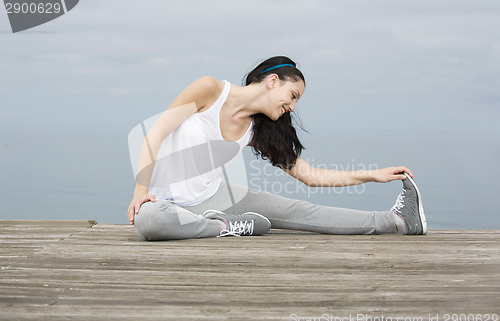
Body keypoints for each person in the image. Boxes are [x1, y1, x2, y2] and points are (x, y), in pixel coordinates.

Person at [127, 56, 427, 241]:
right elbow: (155, 133)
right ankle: (226, 228)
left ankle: (398, 221)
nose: (292, 106)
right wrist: (141, 192)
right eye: (292, 95)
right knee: (150, 221)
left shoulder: (260, 130)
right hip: (165, 203)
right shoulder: (209, 90)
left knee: (303, 212)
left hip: (216, 197)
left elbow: (310, 176)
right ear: (273, 81)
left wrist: (373, 175)